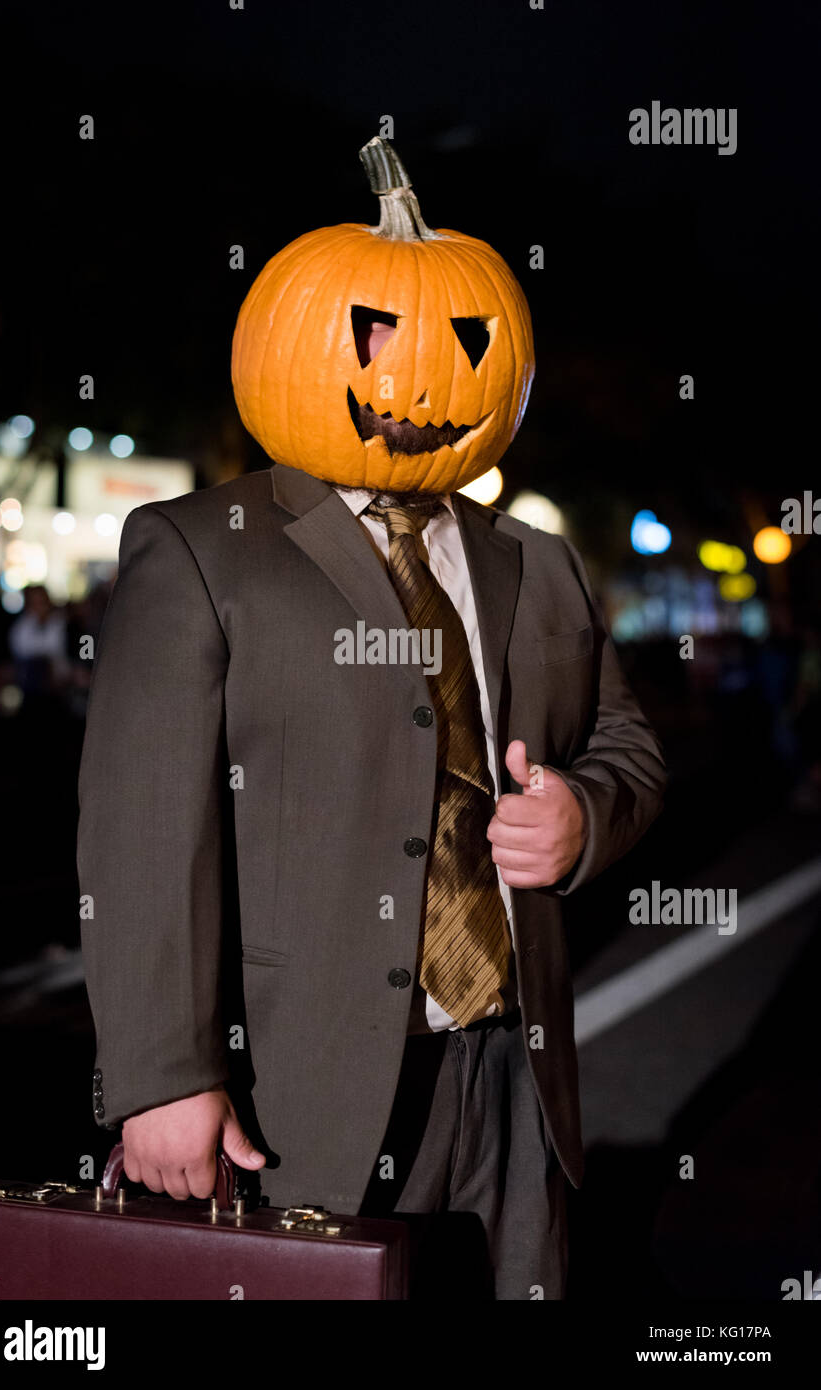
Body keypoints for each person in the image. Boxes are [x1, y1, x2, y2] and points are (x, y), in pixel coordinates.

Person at [77, 140, 666, 1300]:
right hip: (294, 1091)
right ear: (304, 341)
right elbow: (143, 831)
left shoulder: (536, 564)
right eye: (376, 338)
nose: (423, 384)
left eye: (467, 345)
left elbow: (628, 744)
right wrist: (158, 1077)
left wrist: (584, 817)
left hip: (511, 1072)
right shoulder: (199, 549)